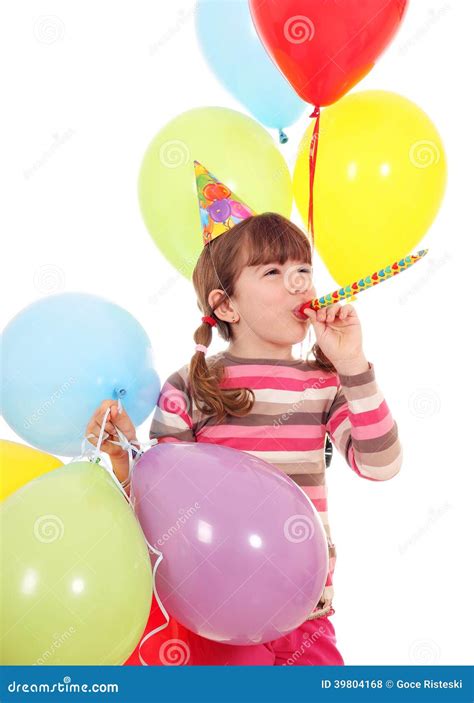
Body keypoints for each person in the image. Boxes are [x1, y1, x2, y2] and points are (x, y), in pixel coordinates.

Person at [86, 163, 403, 665]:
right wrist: (126, 460)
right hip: (212, 614)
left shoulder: (326, 384)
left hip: (305, 614)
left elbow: (381, 464)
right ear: (226, 305)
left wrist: (354, 365)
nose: (298, 284)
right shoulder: (190, 387)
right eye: (274, 273)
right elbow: (156, 512)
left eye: (302, 269)